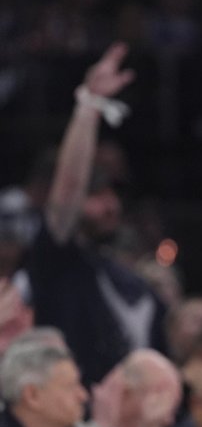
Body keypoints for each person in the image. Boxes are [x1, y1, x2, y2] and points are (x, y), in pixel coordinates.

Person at [23, 42, 167, 387]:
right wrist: (89, 105)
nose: (111, 205)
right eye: (96, 196)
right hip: (74, 408)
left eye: (111, 194)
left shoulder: (128, 278)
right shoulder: (56, 262)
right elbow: (68, 190)